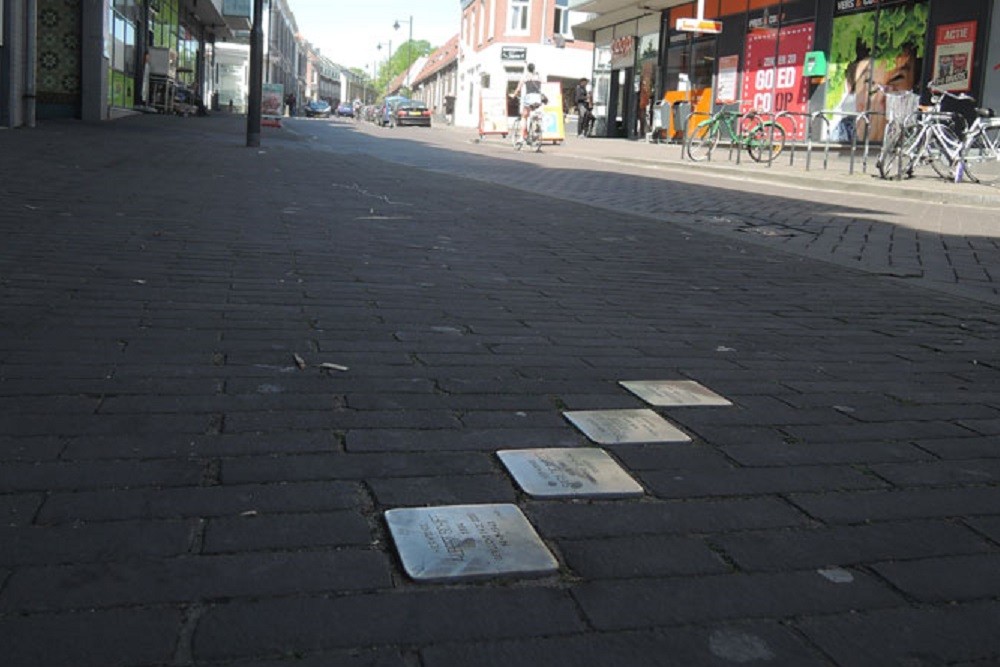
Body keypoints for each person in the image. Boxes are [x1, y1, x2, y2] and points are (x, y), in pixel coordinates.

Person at [510, 63, 543, 143]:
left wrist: (513, 95)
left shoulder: (525, 76)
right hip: (538, 98)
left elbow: (519, 88)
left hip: (529, 97)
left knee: (524, 116)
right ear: (534, 69)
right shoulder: (538, 76)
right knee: (534, 112)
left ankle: (521, 137)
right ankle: (535, 128)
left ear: (527, 69)